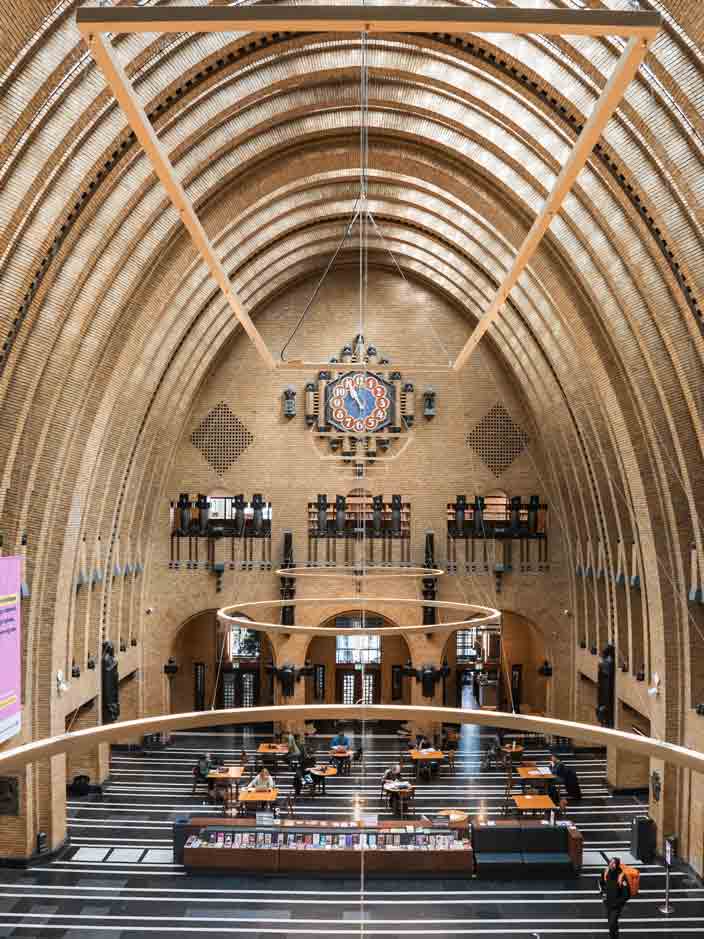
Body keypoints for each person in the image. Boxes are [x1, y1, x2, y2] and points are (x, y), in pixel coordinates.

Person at [599, 857, 630, 937]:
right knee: (611, 923)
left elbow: (626, 894)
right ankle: (614, 934)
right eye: (610, 862)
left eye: (614, 863)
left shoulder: (621, 876)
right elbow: (601, 883)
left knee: (612, 924)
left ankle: (614, 935)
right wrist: (602, 893)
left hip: (616, 906)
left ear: (617, 865)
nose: (611, 864)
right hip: (608, 903)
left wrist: (619, 903)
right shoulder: (605, 872)